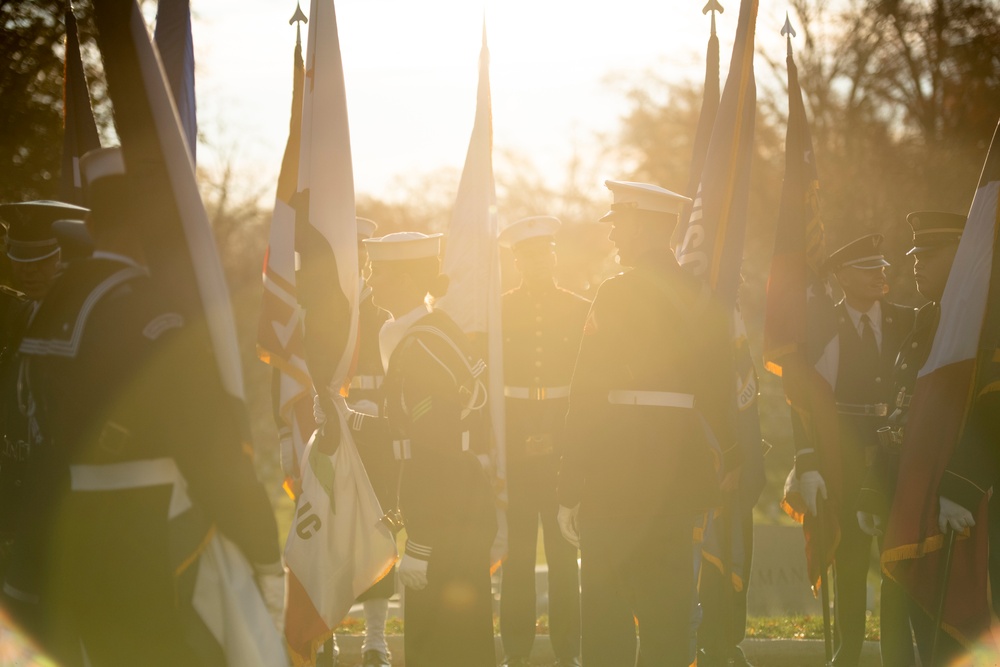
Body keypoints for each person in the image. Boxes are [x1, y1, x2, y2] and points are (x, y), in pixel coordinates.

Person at [2, 147, 284, 666]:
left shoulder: (52, 302)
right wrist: (261, 544)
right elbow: (204, 441)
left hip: (64, 527)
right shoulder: (146, 305)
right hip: (146, 529)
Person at [557, 180, 736, 666]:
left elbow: (587, 393)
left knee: (606, 617)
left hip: (614, 475)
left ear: (642, 226)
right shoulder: (704, 298)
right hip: (678, 478)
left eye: (619, 225)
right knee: (668, 616)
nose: (613, 237)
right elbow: (721, 391)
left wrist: (570, 485)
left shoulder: (614, 293)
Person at [353, 230, 497, 667]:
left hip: (448, 513)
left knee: (444, 646)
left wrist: (422, 543)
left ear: (404, 279)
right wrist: (351, 419)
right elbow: (415, 428)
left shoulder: (419, 345)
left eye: (378, 273)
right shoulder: (430, 332)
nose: (371, 283)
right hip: (458, 501)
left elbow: (435, 450)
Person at [796, 232, 916, 667]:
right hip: (843, 452)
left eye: (881, 268)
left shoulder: (908, 320)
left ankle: (896, 654)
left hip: (896, 451)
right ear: (842, 276)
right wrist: (807, 459)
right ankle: (849, 650)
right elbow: (804, 398)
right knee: (848, 557)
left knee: (896, 556)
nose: (879, 276)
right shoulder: (822, 323)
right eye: (867, 269)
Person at [866, 211, 966, 665]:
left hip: (946, 495)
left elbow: (981, 412)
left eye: (929, 256)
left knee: (943, 623)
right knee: (902, 608)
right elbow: (900, 405)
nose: (915, 265)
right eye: (914, 256)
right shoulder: (931, 317)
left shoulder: (976, 324)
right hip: (906, 487)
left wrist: (959, 486)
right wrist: (876, 489)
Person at [497, 216, 587, 667]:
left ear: (554, 256)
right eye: (527, 255)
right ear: (516, 261)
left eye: (544, 252)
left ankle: (568, 650)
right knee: (516, 557)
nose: (537, 261)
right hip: (513, 440)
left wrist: (567, 438)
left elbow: (589, 382)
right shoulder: (497, 310)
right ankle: (515, 650)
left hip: (562, 437)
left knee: (563, 551)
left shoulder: (580, 307)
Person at [0, 200, 87, 578]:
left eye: (41, 260)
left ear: (63, 258)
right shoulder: (13, 314)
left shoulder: (83, 320)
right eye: (20, 259)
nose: (28, 272)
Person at [350, 216, 396, 667]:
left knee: (379, 535)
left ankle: (375, 640)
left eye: (362, 252)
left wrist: (380, 408)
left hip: (378, 438)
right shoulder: (318, 312)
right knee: (329, 533)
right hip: (330, 436)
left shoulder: (385, 314)